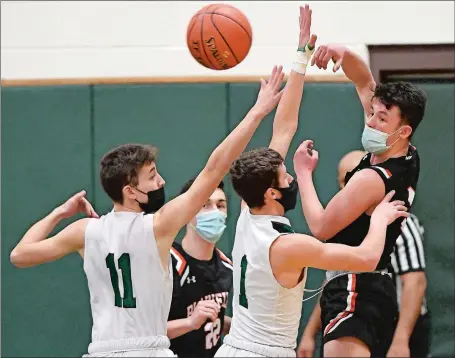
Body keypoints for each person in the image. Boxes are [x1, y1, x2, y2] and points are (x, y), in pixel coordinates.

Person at [9, 65, 285, 357]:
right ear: (130, 191)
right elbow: (214, 168)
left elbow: (20, 255)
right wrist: (257, 112)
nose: (161, 181)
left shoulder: (84, 231)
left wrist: (59, 212)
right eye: (152, 176)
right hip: (149, 350)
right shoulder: (159, 225)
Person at [215, 5, 409, 358]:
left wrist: (301, 56)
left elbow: (284, 127)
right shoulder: (288, 245)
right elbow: (366, 258)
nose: (290, 175)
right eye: (286, 175)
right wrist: (379, 219)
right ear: (272, 191)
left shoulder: (249, 212)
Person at [295, 44, 427, 357]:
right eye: (371, 113)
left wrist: (302, 173)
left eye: (381, 119)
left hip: (354, 287)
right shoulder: (407, 154)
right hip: (371, 287)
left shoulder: (372, 179)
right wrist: (342, 51)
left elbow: (321, 228)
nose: (370, 122)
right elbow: (364, 82)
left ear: (403, 130)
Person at [297, 150, 431, 358]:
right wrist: (309, 333)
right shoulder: (345, 222)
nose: (350, 187)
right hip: (355, 303)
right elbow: (336, 276)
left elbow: (414, 281)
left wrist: (401, 340)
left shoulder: (397, 218)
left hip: (388, 317)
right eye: (345, 181)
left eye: (355, 180)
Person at [167, 178, 233, 358]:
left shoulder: (227, 267)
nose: (215, 213)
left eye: (221, 206)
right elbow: (144, 333)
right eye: (205, 205)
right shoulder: (168, 262)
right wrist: (189, 322)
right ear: (188, 212)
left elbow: (212, 320)